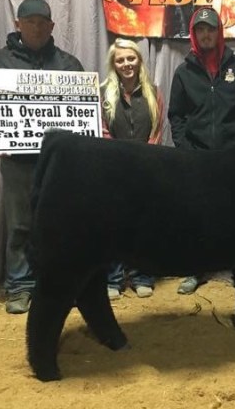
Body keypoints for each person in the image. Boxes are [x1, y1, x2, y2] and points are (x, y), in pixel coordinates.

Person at [0, 0, 84, 314]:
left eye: (42, 22)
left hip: (60, 164)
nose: (37, 28)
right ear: (18, 24)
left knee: (61, 225)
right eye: (30, 22)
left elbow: (85, 107)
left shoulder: (69, 64)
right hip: (18, 162)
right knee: (20, 226)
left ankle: (58, 285)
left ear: (52, 26)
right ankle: (20, 286)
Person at [168, 7, 235, 294]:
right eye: (200, 30)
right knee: (197, 216)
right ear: (193, 35)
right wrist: (186, 151)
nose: (206, 34)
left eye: (211, 29)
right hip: (196, 159)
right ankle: (196, 270)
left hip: (232, 158)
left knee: (233, 215)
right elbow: (176, 116)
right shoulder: (183, 73)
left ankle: (234, 268)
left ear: (219, 32)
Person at [100, 38, 164, 300]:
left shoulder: (153, 92)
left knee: (144, 225)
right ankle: (113, 279)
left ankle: (142, 276)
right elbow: (103, 130)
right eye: (120, 60)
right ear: (113, 64)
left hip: (146, 169)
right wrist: (118, 160)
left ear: (139, 61)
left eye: (130, 58)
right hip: (113, 170)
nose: (126, 64)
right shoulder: (103, 93)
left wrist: (145, 159)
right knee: (113, 224)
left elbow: (157, 131)